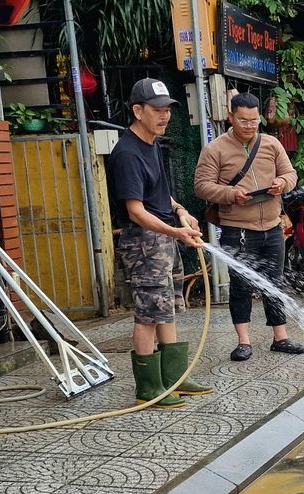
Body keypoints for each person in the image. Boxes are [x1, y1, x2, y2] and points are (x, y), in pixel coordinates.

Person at [108, 78, 213, 408]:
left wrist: (180, 211)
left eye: (167, 110)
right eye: (157, 110)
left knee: (166, 308)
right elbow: (136, 210)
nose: (164, 116)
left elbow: (156, 194)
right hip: (143, 242)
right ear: (138, 111)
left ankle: (175, 379)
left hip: (162, 237)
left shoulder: (152, 143)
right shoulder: (126, 153)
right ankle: (149, 388)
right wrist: (176, 233)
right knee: (148, 314)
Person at [194, 93, 302, 361]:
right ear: (230, 116)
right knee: (240, 285)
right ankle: (244, 341)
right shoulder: (215, 149)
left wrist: (282, 184)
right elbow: (201, 186)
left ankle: (281, 337)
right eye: (243, 120)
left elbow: (291, 173)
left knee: (274, 282)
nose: (250, 125)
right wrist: (231, 194)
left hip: (273, 226)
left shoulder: (271, 143)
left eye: (254, 120)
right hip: (237, 229)